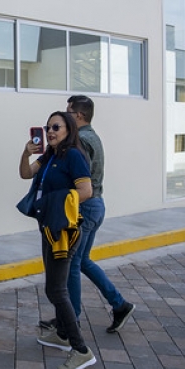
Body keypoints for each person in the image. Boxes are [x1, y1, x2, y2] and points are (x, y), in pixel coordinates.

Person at [19, 111, 96, 369]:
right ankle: (62, 334)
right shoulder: (50, 154)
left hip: (64, 230)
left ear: (68, 129)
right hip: (49, 228)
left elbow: (86, 191)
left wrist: (57, 203)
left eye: (56, 127)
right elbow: (25, 174)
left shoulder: (73, 155)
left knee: (56, 290)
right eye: (47, 127)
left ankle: (81, 350)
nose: (50, 131)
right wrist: (25, 153)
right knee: (54, 287)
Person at [59, 96, 133, 332]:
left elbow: (81, 179)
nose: (65, 114)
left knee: (71, 265)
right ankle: (119, 304)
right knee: (83, 261)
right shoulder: (91, 136)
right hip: (96, 206)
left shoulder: (82, 140)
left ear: (78, 115)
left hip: (85, 207)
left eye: (68, 111)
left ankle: (72, 319)